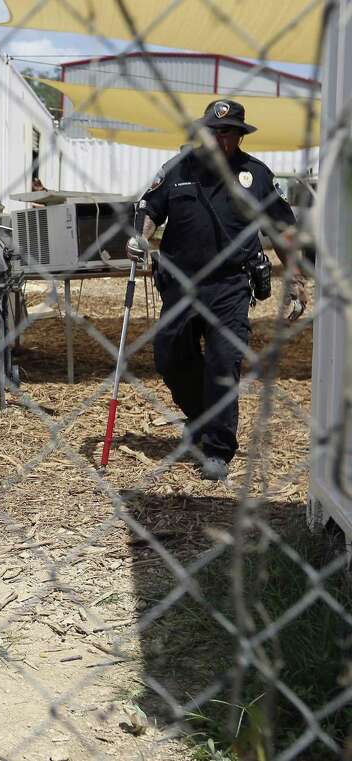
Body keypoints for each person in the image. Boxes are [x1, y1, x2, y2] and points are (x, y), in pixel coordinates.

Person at [126, 99, 307, 481]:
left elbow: (283, 230)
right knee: (170, 357)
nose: (217, 138)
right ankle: (200, 417)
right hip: (180, 283)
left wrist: (295, 279)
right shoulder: (178, 169)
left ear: (238, 136)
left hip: (230, 286)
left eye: (226, 132)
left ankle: (218, 448)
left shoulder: (256, 176)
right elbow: (149, 209)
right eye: (211, 131)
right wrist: (140, 239)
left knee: (223, 363)